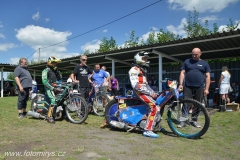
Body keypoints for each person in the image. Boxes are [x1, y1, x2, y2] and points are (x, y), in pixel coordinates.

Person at [129, 51, 159, 138]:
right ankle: (148, 130)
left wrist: (154, 92)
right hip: (139, 92)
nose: (146, 60)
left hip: (143, 91)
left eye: (146, 59)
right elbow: (136, 85)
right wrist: (150, 92)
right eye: (144, 58)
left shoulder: (141, 70)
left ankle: (155, 125)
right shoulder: (134, 70)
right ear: (139, 59)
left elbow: (145, 85)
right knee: (154, 107)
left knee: (158, 103)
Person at [178, 47, 211, 128]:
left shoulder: (204, 63)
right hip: (188, 86)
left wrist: (206, 89)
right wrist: (181, 84)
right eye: (193, 54)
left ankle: (194, 120)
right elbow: (182, 73)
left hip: (199, 87)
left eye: (196, 54)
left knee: (197, 104)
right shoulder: (187, 61)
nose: (194, 56)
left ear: (200, 53)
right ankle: (183, 121)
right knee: (186, 103)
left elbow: (207, 76)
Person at [42, 56, 63, 124]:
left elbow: (59, 79)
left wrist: (58, 71)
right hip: (48, 88)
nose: (55, 64)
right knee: (53, 100)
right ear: (49, 62)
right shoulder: (45, 70)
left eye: (55, 63)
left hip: (54, 87)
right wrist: (52, 88)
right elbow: (44, 81)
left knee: (62, 98)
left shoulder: (54, 70)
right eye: (53, 63)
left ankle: (61, 114)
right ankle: (49, 117)